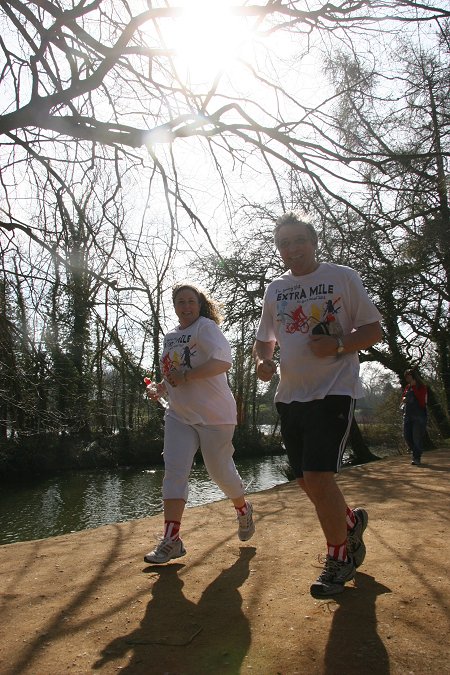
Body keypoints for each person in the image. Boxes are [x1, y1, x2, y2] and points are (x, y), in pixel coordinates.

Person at [253, 211, 382, 599]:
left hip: (333, 390)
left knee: (320, 477)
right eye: (283, 244)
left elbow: (373, 330)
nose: (291, 249)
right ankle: (350, 522)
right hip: (290, 395)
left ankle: (339, 557)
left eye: (298, 240)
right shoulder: (275, 288)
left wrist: (340, 345)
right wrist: (263, 360)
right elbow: (265, 338)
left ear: (313, 242)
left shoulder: (342, 276)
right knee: (305, 481)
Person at [144, 283, 255, 564]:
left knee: (220, 473)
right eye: (180, 302)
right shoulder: (170, 336)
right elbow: (173, 373)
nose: (186, 306)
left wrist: (187, 377)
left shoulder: (206, 328)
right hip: (179, 415)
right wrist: (160, 388)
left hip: (215, 416)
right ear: (174, 306)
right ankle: (171, 539)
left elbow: (223, 362)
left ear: (199, 304)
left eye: (191, 301)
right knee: (174, 470)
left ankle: (243, 509)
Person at [401, 367, 428, 466]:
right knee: (407, 436)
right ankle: (416, 452)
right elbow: (403, 398)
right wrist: (404, 398)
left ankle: (416, 457)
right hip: (407, 415)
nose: (407, 378)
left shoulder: (422, 387)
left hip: (418, 416)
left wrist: (415, 389)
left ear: (413, 376)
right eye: (406, 377)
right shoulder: (407, 387)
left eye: (408, 376)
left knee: (416, 437)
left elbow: (422, 401)